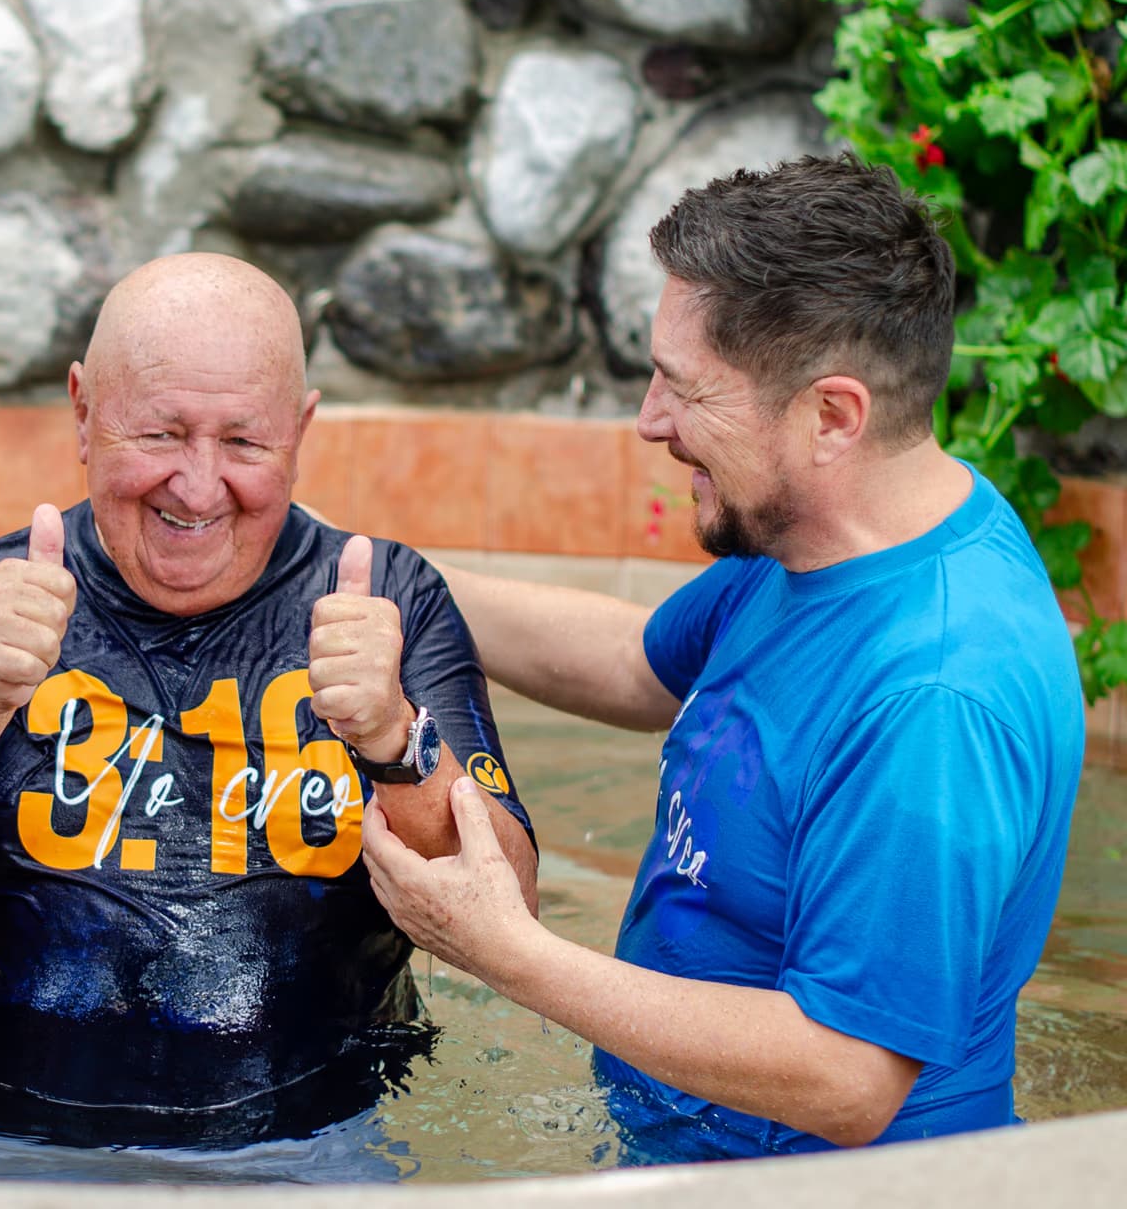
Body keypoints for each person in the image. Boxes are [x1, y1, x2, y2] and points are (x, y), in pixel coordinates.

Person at [362, 155, 1085, 1160]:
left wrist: (508, 951)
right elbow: (630, 658)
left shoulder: (934, 694)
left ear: (832, 415)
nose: (652, 420)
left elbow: (849, 1076)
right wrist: (376, 571)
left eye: (686, 388)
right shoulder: (823, 537)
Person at [0, 252, 539, 1155]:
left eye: (244, 442)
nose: (198, 487)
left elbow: (513, 917)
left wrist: (395, 740)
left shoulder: (390, 601)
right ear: (82, 411)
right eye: (160, 435)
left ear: (302, 430)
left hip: (323, 1139)